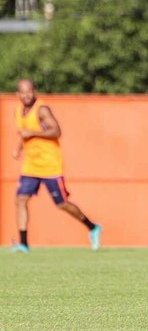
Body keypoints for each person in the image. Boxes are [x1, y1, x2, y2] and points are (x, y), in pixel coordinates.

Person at [11, 79, 102, 253]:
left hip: (50, 165)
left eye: (29, 91)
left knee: (62, 204)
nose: (26, 95)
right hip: (31, 165)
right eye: (22, 92)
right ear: (17, 94)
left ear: (34, 91)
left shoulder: (42, 110)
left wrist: (33, 133)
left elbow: (56, 131)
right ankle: (23, 243)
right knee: (20, 199)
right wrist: (18, 149)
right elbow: (25, 134)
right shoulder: (18, 111)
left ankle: (92, 227)